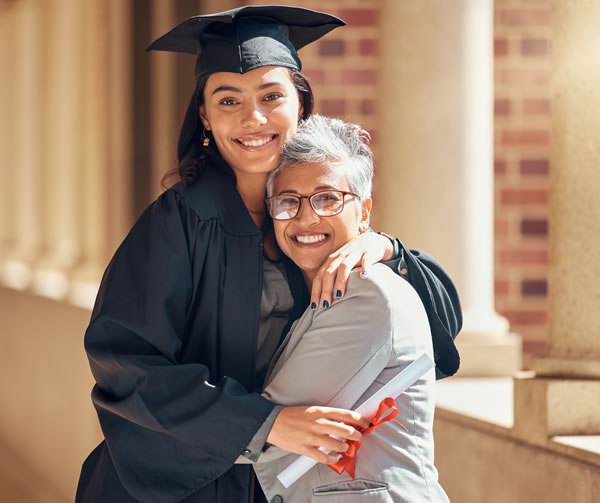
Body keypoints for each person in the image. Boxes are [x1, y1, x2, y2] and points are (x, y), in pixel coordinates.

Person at [75, 6, 461, 503]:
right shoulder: (180, 222)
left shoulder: (315, 216)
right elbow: (124, 360)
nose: (251, 118)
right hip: (178, 488)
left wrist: (384, 247)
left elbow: (437, 324)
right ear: (204, 116)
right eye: (228, 99)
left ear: (300, 103)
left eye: (271, 95)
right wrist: (265, 424)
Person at [253, 114, 450, 502]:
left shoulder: (366, 292)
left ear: (363, 212)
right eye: (288, 201)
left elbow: (274, 418)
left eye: (327, 198)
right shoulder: (303, 295)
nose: (306, 217)